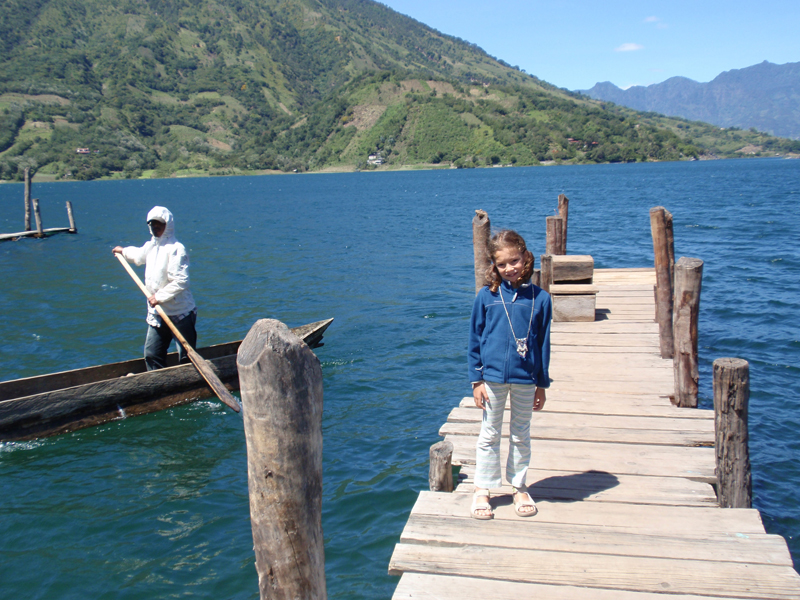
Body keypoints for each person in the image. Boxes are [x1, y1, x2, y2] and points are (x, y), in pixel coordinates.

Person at [467, 229, 552, 519]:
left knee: (520, 434)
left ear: (525, 257)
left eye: (514, 261)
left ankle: (519, 486)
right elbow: (475, 339)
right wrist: (476, 380)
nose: (509, 268)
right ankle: (483, 488)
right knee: (489, 434)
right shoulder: (486, 296)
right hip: (491, 379)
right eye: (502, 264)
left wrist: (541, 385)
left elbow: (543, 344)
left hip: (526, 379)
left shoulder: (540, 299)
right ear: (494, 265)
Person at [112, 206, 197, 371]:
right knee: (152, 354)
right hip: (157, 313)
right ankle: (160, 383)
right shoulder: (151, 246)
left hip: (180, 312)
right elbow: (138, 255)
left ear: (167, 225)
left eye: (159, 224)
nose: (155, 227)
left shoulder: (176, 249)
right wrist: (123, 251)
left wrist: (159, 297)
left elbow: (181, 281)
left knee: (187, 357)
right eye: (152, 224)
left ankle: (191, 383)